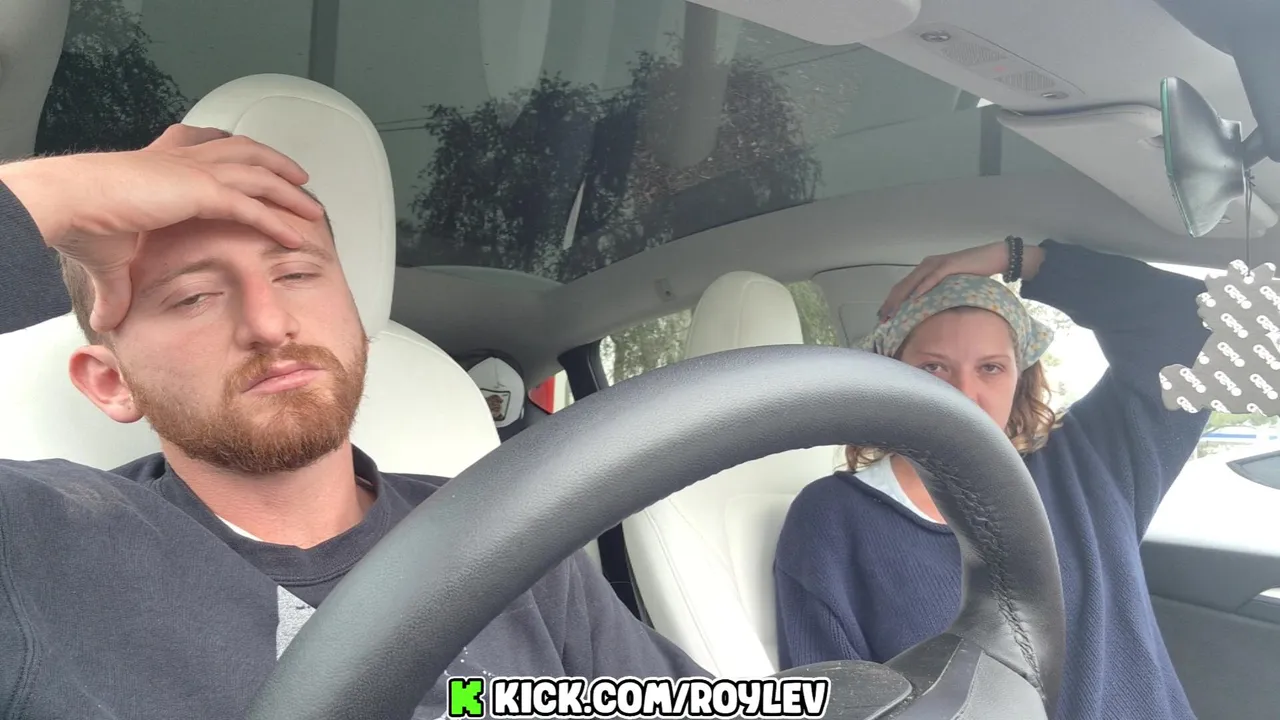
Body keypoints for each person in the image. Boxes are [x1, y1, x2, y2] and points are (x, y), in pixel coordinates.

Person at [0, 125, 706, 719]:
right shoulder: (39, 542)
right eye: (192, 297)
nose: (269, 323)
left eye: (297, 274)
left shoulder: (509, 538)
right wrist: (53, 197)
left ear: (355, 321)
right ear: (112, 383)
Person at [773, 237, 1211, 720]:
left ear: (1019, 378)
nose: (963, 394)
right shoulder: (832, 518)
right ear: (891, 374)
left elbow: (1190, 325)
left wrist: (1019, 258)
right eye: (933, 367)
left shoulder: (1089, 463)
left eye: (991, 368)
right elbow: (830, 700)